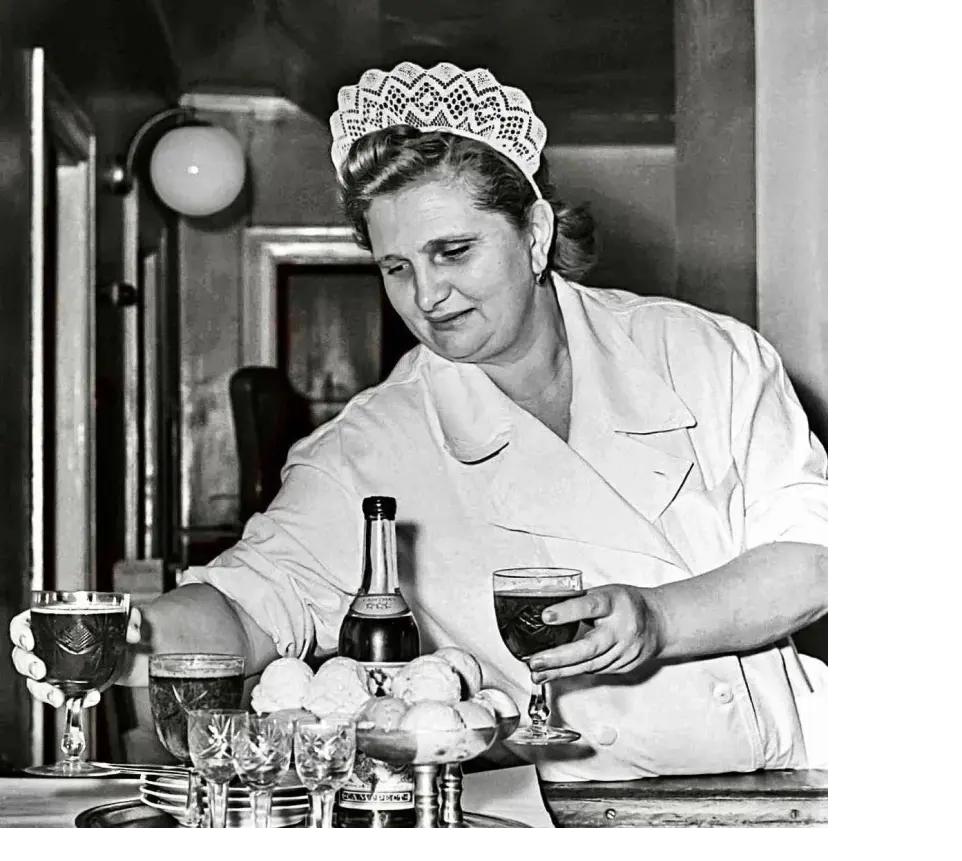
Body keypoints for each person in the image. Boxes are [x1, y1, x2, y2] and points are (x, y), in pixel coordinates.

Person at [9, 61, 828, 782]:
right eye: (396, 267)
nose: (426, 296)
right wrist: (128, 639)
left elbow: (811, 561)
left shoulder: (705, 355)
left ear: (535, 232)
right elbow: (254, 605)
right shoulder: (373, 443)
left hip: (782, 780)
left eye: (453, 252)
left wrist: (658, 619)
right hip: (558, 801)